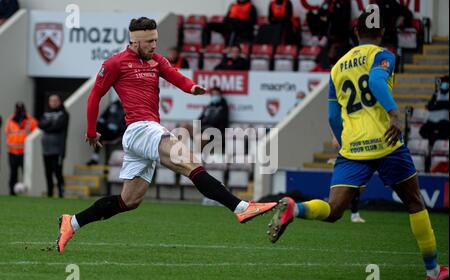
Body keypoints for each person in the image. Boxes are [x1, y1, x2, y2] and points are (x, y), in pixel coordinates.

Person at [56, 17, 278, 253]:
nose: (154, 45)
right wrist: (91, 130)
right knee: (190, 162)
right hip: (139, 129)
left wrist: (192, 87)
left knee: (128, 201)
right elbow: (94, 96)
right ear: (135, 42)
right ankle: (240, 207)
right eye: (149, 41)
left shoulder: (156, 61)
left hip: (146, 132)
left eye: (156, 40)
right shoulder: (115, 64)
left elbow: (175, 76)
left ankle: (73, 222)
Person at [267, 11, 448, 280]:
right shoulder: (383, 55)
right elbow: (376, 81)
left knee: (334, 209)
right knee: (414, 202)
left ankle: (296, 208)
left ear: (355, 34)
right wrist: (394, 114)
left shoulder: (338, 67)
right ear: (382, 33)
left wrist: (344, 141)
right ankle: (433, 270)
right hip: (386, 142)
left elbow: (331, 116)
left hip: (352, 148)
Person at [38, 94, 69, 198]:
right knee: (48, 173)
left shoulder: (64, 114)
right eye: (51, 100)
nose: (53, 102)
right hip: (46, 150)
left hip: (58, 150)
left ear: (60, 101)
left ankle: (61, 193)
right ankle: (50, 193)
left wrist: (47, 125)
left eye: (56, 100)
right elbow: (40, 125)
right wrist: (50, 123)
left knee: (58, 172)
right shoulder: (46, 114)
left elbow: (57, 127)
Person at [4, 102, 37, 195]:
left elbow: (35, 134)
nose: (19, 111)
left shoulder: (31, 120)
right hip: (12, 151)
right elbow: (7, 133)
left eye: (21, 108)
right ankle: (12, 192)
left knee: (26, 173)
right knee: (13, 173)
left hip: (25, 152)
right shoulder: (10, 120)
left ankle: (27, 192)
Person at [86, 100, 126, 165]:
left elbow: (126, 124)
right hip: (107, 130)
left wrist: (119, 136)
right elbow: (104, 116)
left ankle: (106, 161)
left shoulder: (127, 107)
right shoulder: (113, 105)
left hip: (117, 133)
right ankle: (94, 158)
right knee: (99, 133)